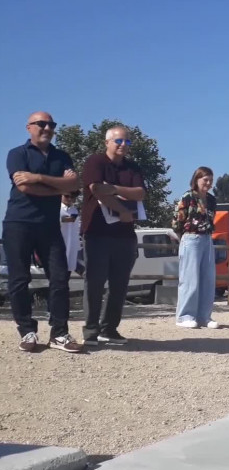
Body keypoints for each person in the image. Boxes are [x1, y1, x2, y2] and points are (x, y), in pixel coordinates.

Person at [3, 111, 84, 352]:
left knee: (60, 278)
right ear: (29, 127)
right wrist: (58, 184)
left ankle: (59, 333)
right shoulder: (17, 154)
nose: (47, 128)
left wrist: (38, 176)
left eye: (51, 124)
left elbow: (74, 185)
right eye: (41, 124)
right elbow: (24, 186)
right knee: (19, 280)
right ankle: (27, 332)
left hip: (49, 226)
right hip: (19, 223)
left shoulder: (62, 156)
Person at [81, 126, 146, 346]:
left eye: (127, 142)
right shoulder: (95, 162)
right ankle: (91, 331)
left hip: (125, 233)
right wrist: (122, 210)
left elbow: (140, 193)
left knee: (119, 284)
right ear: (107, 142)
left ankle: (109, 329)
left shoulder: (133, 167)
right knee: (95, 282)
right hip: (97, 231)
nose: (122, 145)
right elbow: (97, 189)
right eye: (118, 141)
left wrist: (115, 188)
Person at [172, 167, 219, 329]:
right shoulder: (187, 197)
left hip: (207, 238)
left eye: (210, 180)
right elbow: (177, 221)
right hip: (191, 237)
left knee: (207, 278)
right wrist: (183, 238)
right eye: (205, 179)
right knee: (190, 278)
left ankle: (204, 316)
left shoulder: (212, 200)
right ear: (196, 179)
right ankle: (185, 315)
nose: (208, 183)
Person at [60, 191, 82, 274]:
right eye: (66, 196)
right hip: (60, 241)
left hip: (71, 243)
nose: (69, 199)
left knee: (69, 267)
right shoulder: (57, 208)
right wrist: (64, 219)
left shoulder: (74, 210)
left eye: (72, 197)